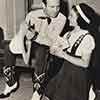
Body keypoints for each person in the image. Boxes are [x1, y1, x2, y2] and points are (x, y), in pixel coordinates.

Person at [0, 0, 67, 98]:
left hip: (47, 46)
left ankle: (37, 91)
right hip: (31, 43)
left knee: (42, 49)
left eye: (58, 7)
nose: (56, 10)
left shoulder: (62, 19)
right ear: (44, 5)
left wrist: (35, 36)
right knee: (7, 46)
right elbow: (24, 35)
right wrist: (23, 45)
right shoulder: (32, 15)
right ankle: (11, 83)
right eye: (52, 7)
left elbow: (51, 41)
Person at [45, 3, 96, 100]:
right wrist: (54, 50)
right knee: (52, 94)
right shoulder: (68, 34)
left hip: (77, 75)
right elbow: (58, 50)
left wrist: (64, 55)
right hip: (64, 70)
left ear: (80, 19)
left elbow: (85, 63)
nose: (68, 17)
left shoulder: (87, 38)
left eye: (72, 16)